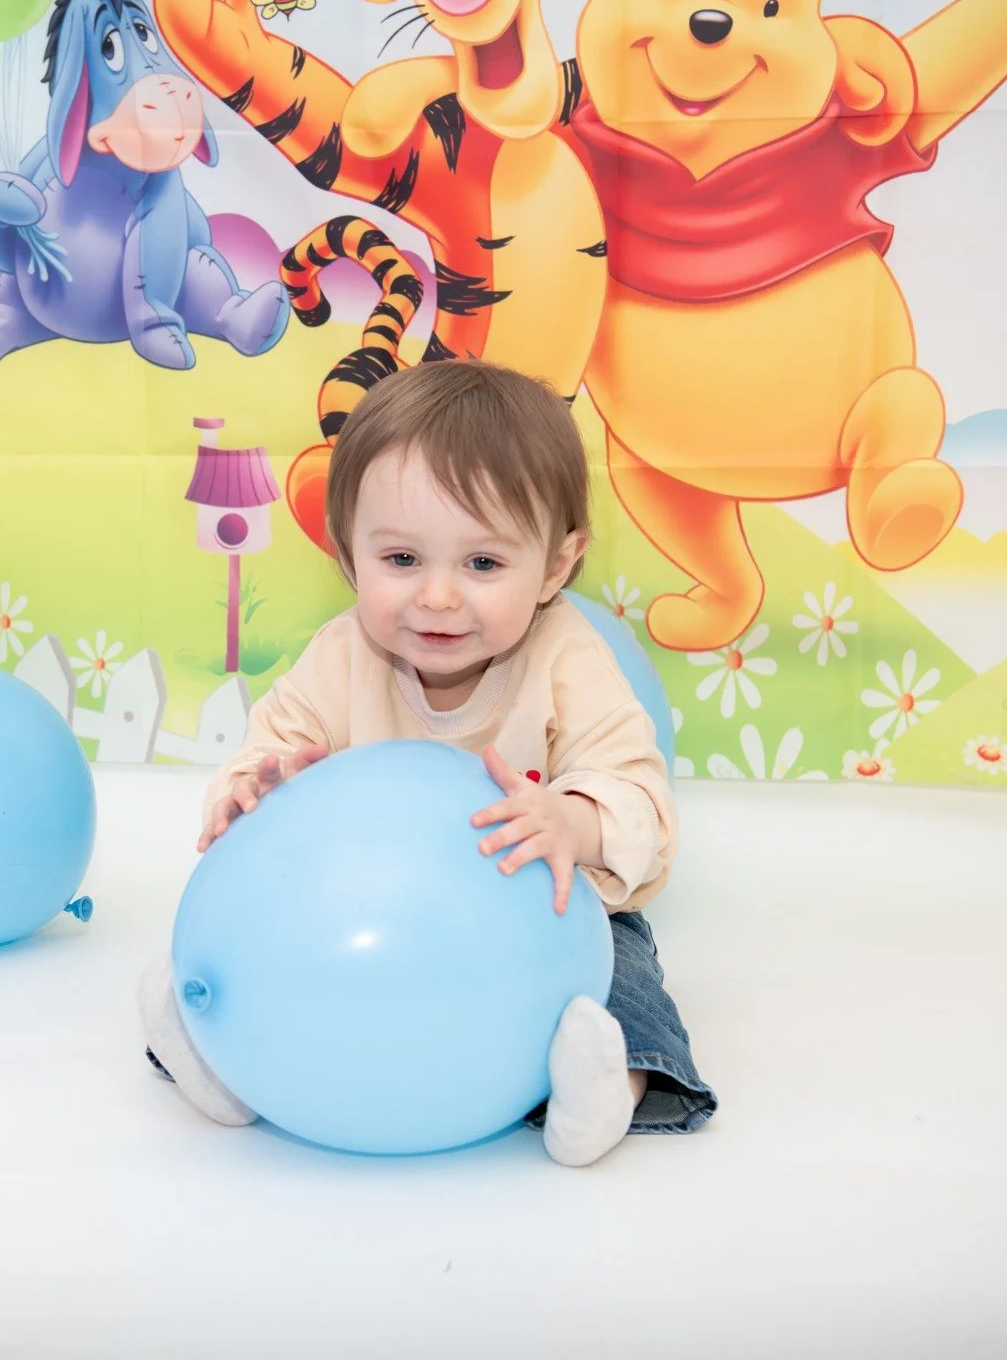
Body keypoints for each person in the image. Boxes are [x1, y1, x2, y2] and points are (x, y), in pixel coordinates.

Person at [137, 358, 715, 1166]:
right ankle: (229, 1061)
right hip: (368, 905)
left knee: (624, 988)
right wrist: (257, 789)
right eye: (402, 560)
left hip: (555, 914)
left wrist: (571, 820)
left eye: (483, 564)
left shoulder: (566, 658)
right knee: (281, 973)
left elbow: (639, 797)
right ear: (349, 556)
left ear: (555, 563)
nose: (438, 597)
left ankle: (604, 1086)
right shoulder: (343, 653)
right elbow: (274, 740)